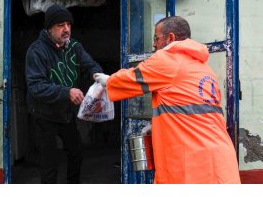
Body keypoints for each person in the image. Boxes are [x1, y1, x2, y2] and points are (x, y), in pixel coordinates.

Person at [94, 16, 241, 184]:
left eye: (156, 38)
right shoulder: (204, 69)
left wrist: (108, 80)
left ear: (170, 38)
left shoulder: (168, 59)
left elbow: (132, 78)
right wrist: (158, 123)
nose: (154, 45)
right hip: (220, 162)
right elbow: (190, 109)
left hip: (193, 166)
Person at [26, 3, 103, 184]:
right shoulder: (36, 51)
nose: (66, 29)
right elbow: (36, 86)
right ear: (49, 28)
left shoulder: (74, 46)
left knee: (76, 152)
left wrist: (97, 75)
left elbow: (90, 64)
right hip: (44, 114)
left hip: (66, 114)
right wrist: (67, 92)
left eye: (68, 25)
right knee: (49, 161)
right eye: (60, 25)